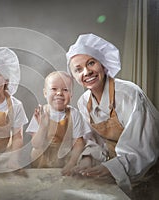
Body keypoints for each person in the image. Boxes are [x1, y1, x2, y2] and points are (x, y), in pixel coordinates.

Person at [66, 33, 159, 196]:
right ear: (74, 77)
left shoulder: (129, 94)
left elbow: (143, 148)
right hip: (116, 176)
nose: (87, 72)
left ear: (103, 64)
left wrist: (110, 168)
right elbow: (93, 142)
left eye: (91, 63)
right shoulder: (83, 102)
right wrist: (87, 160)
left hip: (147, 178)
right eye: (78, 69)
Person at [26, 71, 105, 175]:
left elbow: (79, 143)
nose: (59, 93)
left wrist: (72, 163)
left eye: (65, 90)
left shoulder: (74, 114)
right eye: (54, 89)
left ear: (71, 94)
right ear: (45, 93)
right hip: (42, 160)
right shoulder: (41, 113)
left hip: (65, 158)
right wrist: (43, 126)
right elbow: (36, 144)